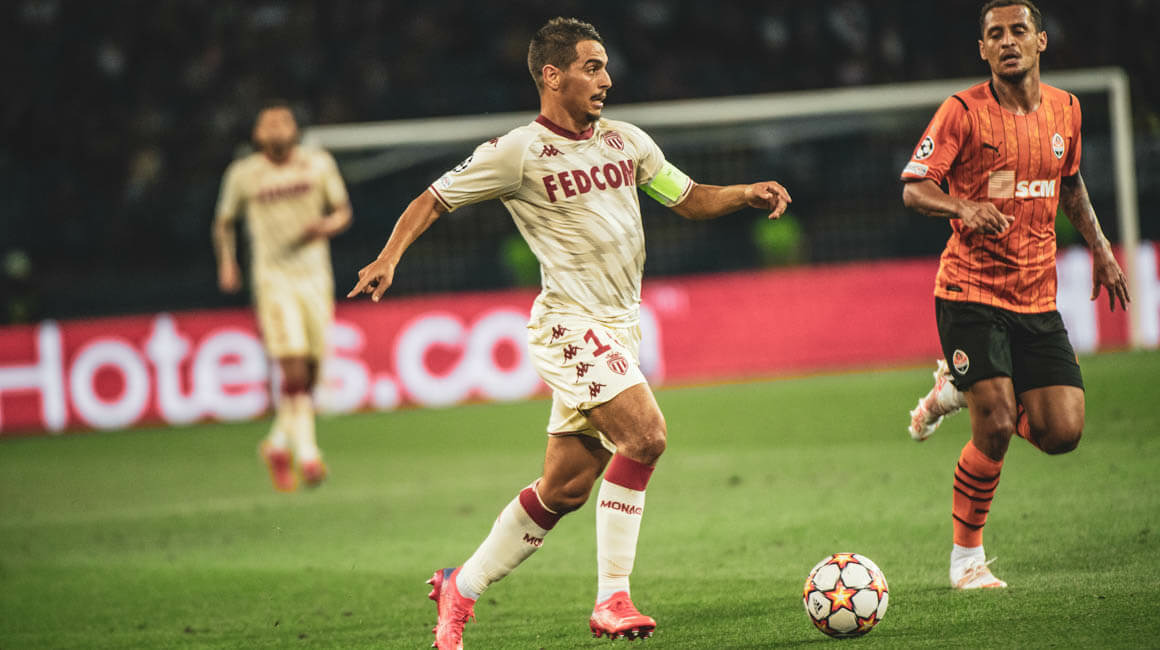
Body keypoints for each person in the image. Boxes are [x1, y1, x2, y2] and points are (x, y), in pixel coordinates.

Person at [348, 17, 791, 648]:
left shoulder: (626, 142)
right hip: (568, 325)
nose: (606, 79)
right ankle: (613, 598)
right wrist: (389, 256)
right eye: (592, 67)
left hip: (621, 328)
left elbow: (688, 197)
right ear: (552, 76)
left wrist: (744, 193)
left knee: (564, 490)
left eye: (605, 66)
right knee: (646, 436)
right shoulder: (517, 152)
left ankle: (459, 588)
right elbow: (433, 199)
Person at [900, 0, 1130, 590]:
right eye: (995, 34)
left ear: (1040, 41)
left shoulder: (1067, 110)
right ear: (983, 49)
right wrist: (962, 207)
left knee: (1063, 433)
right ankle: (966, 560)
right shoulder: (962, 112)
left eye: (1018, 31)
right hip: (968, 291)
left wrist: (1102, 248)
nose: (1008, 41)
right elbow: (915, 189)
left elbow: (1069, 182)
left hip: (1035, 296)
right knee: (998, 422)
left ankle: (960, 389)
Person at [213, 102, 352, 492]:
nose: (276, 127)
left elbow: (343, 211)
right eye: (268, 123)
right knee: (293, 371)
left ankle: (276, 444)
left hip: (315, 278)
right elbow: (223, 222)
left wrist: (325, 226)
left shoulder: (318, 163)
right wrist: (227, 263)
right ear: (257, 135)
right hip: (273, 280)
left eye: (283, 120)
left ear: (295, 129)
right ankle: (308, 455)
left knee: (311, 374)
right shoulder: (243, 173)